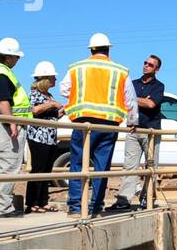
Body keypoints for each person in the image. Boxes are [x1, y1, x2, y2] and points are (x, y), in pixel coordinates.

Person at [58, 32, 137, 217]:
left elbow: (64, 89)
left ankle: (76, 207)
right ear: (108, 50)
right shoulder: (120, 71)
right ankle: (95, 206)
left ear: (91, 49)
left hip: (83, 121)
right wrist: (133, 121)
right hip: (108, 124)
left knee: (77, 163)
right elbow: (130, 100)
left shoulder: (77, 67)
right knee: (102, 166)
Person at [0, 37, 32, 218]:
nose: (17, 61)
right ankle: (2, 208)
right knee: (7, 166)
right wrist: (12, 122)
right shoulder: (1, 74)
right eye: (17, 57)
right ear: (8, 57)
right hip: (5, 127)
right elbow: (3, 100)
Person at [108, 54, 164, 211]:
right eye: (145, 63)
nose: (146, 65)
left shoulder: (159, 86)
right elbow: (123, 100)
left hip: (151, 132)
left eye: (151, 65)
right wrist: (140, 100)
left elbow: (151, 104)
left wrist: (132, 98)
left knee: (151, 167)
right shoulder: (132, 83)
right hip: (133, 129)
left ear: (157, 69)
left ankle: (147, 199)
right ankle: (124, 200)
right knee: (129, 167)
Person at [25, 60, 64, 213]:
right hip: (38, 137)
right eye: (53, 77)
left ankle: (43, 201)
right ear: (46, 79)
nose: (55, 80)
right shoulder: (35, 95)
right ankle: (32, 202)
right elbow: (34, 110)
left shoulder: (49, 95)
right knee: (38, 169)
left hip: (50, 138)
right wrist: (53, 105)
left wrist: (63, 111)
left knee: (47, 170)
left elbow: (52, 117)